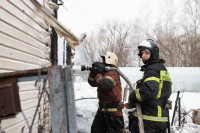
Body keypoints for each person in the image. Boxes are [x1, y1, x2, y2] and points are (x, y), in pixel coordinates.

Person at [128, 39, 172, 133]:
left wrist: (133, 95)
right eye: (142, 53)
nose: (143, 56)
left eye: (146, 53)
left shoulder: (152, 69)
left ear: (154, 53)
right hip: (160, 120)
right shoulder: (162, 69)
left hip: (149, 121)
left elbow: (149, 92)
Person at [88, 51, 124, 133]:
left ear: (109, 60)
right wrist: (93, 72)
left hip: (113, 115)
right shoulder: (104, 74)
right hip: (102, 112)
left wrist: (98, 73)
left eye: (103, 60)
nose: (102, 62)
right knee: (95, 131)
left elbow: (104, 85)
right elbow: (92, 83)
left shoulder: (113, 74)